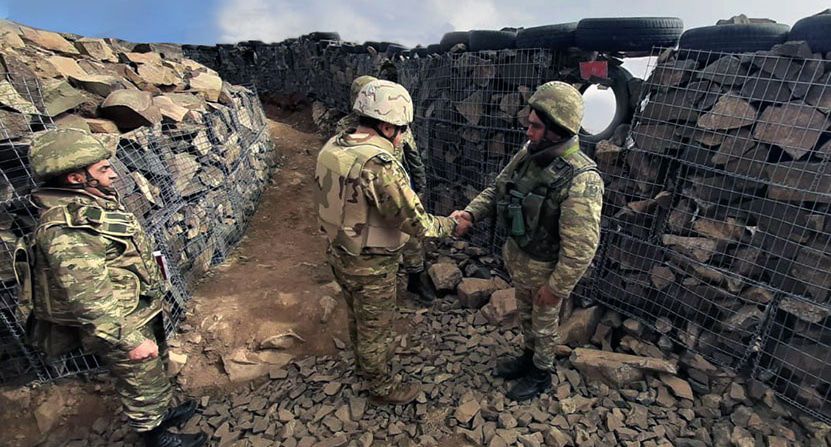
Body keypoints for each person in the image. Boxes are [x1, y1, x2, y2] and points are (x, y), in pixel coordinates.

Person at [26, 128, 205, 447]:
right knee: (139, 380)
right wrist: (128, 339)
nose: (113, 173)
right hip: (122, 322)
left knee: (152, 371)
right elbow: (87, 298)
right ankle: (155, 436)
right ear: (76, 178)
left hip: (137, 309)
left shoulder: (91, 203)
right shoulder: (68, 229)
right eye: (103, 168)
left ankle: (163, 414)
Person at [315, 80, 469, 404]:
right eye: (402, 129)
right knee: (377, 327)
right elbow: (416, 222)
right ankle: (382, 387)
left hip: (340, 252)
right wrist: (451, 225)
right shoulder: (378, 164)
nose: (403, 136)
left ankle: (363, 367)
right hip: (371, 264)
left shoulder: (334, 146)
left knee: (357, 316)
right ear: (386, 127)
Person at [451, 81, 604, 401]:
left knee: (544, 326)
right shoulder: (529, 153)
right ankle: (528, 357)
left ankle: (541, 372)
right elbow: (497, 188)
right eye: (529, 124)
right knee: (526, 317)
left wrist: (556, 288)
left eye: (535, 126)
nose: (528, 131)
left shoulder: (581, 178)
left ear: (557, 130)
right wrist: (470, 214)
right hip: (521, 260)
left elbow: (581, 248)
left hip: (546, 273)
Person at [335, 75, 434, 302]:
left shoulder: (396, 124)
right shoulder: (345, 127)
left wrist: (419, 189)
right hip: (363, 193)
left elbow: (413, 157)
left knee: (410, 233)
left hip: (395, 187)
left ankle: (416, 277)